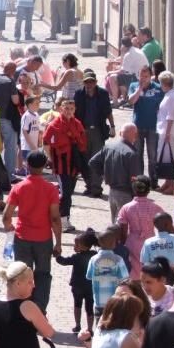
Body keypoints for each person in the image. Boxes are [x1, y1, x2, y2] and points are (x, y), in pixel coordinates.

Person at [3, 151, 62, 312]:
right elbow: (55, 218)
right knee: (43, 275)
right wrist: (58, 243)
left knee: (22, 275)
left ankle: (23, 309)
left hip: (22, 237)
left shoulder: (19, 187)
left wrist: (9, 229)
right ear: (44, 166)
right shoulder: (51, 189)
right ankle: (40, 310)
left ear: (27, 165)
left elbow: (6, 215)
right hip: (43, 239)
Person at [43, 98, 88, 232]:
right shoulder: (54, 125)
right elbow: (45, 142)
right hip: (60, 163)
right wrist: (50, 158)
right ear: (61, 109)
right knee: (65, 193)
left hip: (74, 163)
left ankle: (63, 217)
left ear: (74, 110)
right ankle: (61, 220)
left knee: (68, 192)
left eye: (71, 109)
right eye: (66, 108)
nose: (68, 111)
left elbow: (83, 142)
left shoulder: (78, 124)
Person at [116, 176, 166, 280]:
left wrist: (123, 243)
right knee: (150, 271)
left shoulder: (126, 208)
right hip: (151, 241)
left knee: (134, 274)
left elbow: (123, 228)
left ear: (134, 189)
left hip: (132, 242)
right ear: (148, 190)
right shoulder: (155, 207)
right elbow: (164, 224)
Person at [90, 123, 143, 221]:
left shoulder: (109, 146)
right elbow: (136, 180)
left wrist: (104, 175)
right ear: (135, 135)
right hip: (126, 194)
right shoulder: (131, 154)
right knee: (124, 226)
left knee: (115, 225)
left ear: (120, 133)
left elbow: (93, 162)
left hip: (112, 192)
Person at [75, 72, 115, 197]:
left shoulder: (103, 94)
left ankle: (97, 188)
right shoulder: (79, 94)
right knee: (84, 160)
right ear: (83, 83)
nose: (89, 84)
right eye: (86, 82)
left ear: (96, 82)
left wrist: (112, 127)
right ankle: (89, 186)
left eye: (91, 82)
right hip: (83, 131)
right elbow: (74, 112)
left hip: (98, 130)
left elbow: (108, 111)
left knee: (96, 159)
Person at [56, 230, 99, 334]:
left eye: (77, 244)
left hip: (77, 286)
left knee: (77, 305)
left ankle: (78, 326)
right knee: (90, 308)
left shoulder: (76, 257)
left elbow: (64, 261)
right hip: (90, 287)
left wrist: (57, 256)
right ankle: (90, 329)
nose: (74, 246)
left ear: (84, 246)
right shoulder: (95, 255)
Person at [127, 66, 163, 182]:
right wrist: (139, 89)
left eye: (146, 76)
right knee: (138, 154)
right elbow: (131, 101)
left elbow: (163, 105)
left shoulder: (158, 88)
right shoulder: (133, 86)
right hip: (138, 125)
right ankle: (140, 179)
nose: (143, 78)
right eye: (141, 76)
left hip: (153, 126)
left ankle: (153, 180)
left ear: (151, 76)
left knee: (152, 155)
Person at [155, 71, 174, 193]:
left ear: (164, 83)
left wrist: (167, 133)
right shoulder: (169, 94)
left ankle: (172, 184)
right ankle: (167, 182)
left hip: (168, 131)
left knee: (168, 157)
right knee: (165, 156)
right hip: (164, 130)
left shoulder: (172, 96)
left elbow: (170, 116)